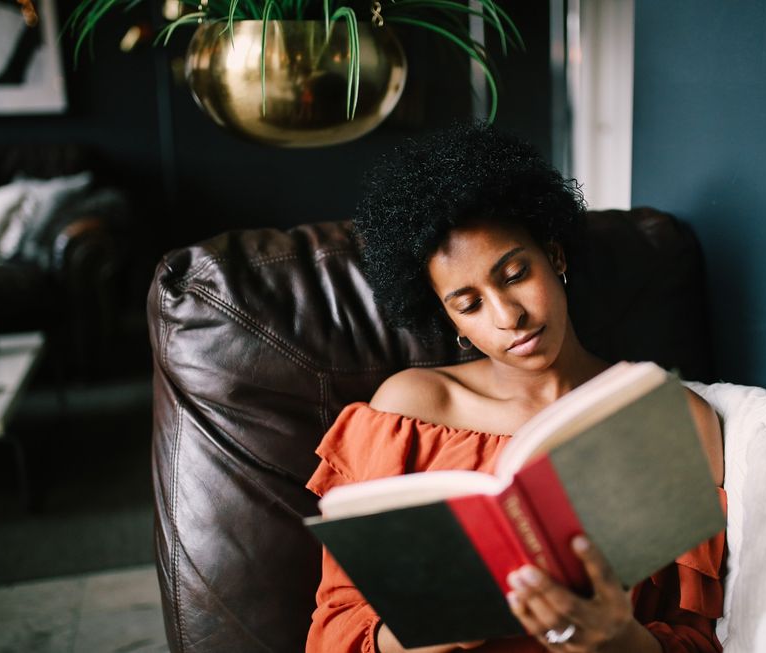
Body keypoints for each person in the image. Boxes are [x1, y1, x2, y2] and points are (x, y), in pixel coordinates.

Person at [306, 123, 726, 653]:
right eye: (470, 304)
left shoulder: (673, 418)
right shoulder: (409, 412)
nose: (510, 317)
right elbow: (337, 627)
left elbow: (697, 638)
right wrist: (436, 633)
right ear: (451, 321)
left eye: (514, 274)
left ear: (556, 257)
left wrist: (618, 638)